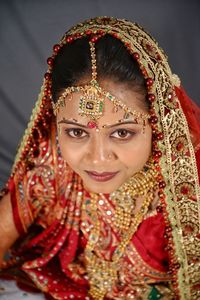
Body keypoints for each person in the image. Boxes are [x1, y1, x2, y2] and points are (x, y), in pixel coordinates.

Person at [0, 16, 199, 300]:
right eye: (77, 132)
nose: (98, 159)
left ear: (158, 124)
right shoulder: (51, 165)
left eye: (122, 133)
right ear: (57, 122)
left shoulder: (189, 183)